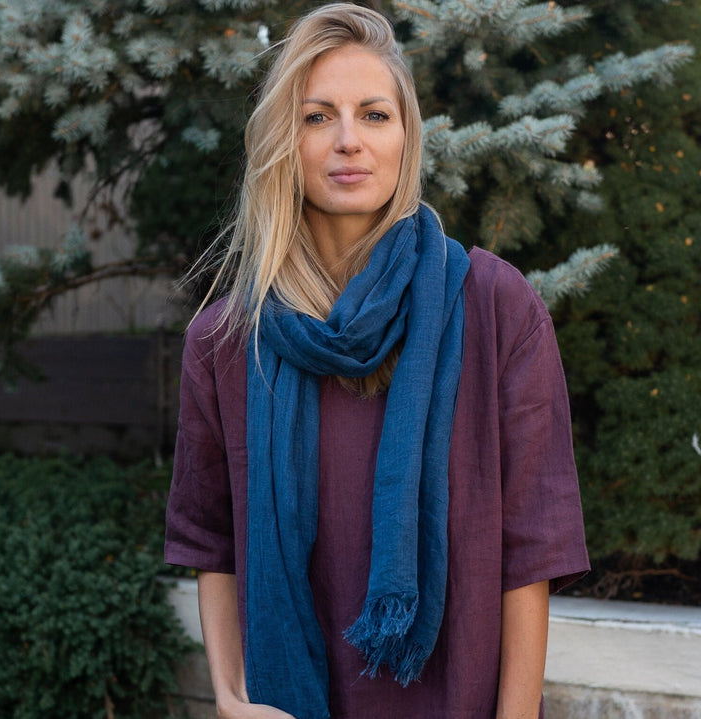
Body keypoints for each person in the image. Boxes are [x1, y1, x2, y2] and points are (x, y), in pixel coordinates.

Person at [164, 4, 590, 719]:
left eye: (374, 114)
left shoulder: (493, 306)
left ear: (406, 137)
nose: (349, 141)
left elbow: (532, 548)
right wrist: (231, 699)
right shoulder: (229, 339)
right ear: (283, 142)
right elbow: (213, 537)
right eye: (317, 117)